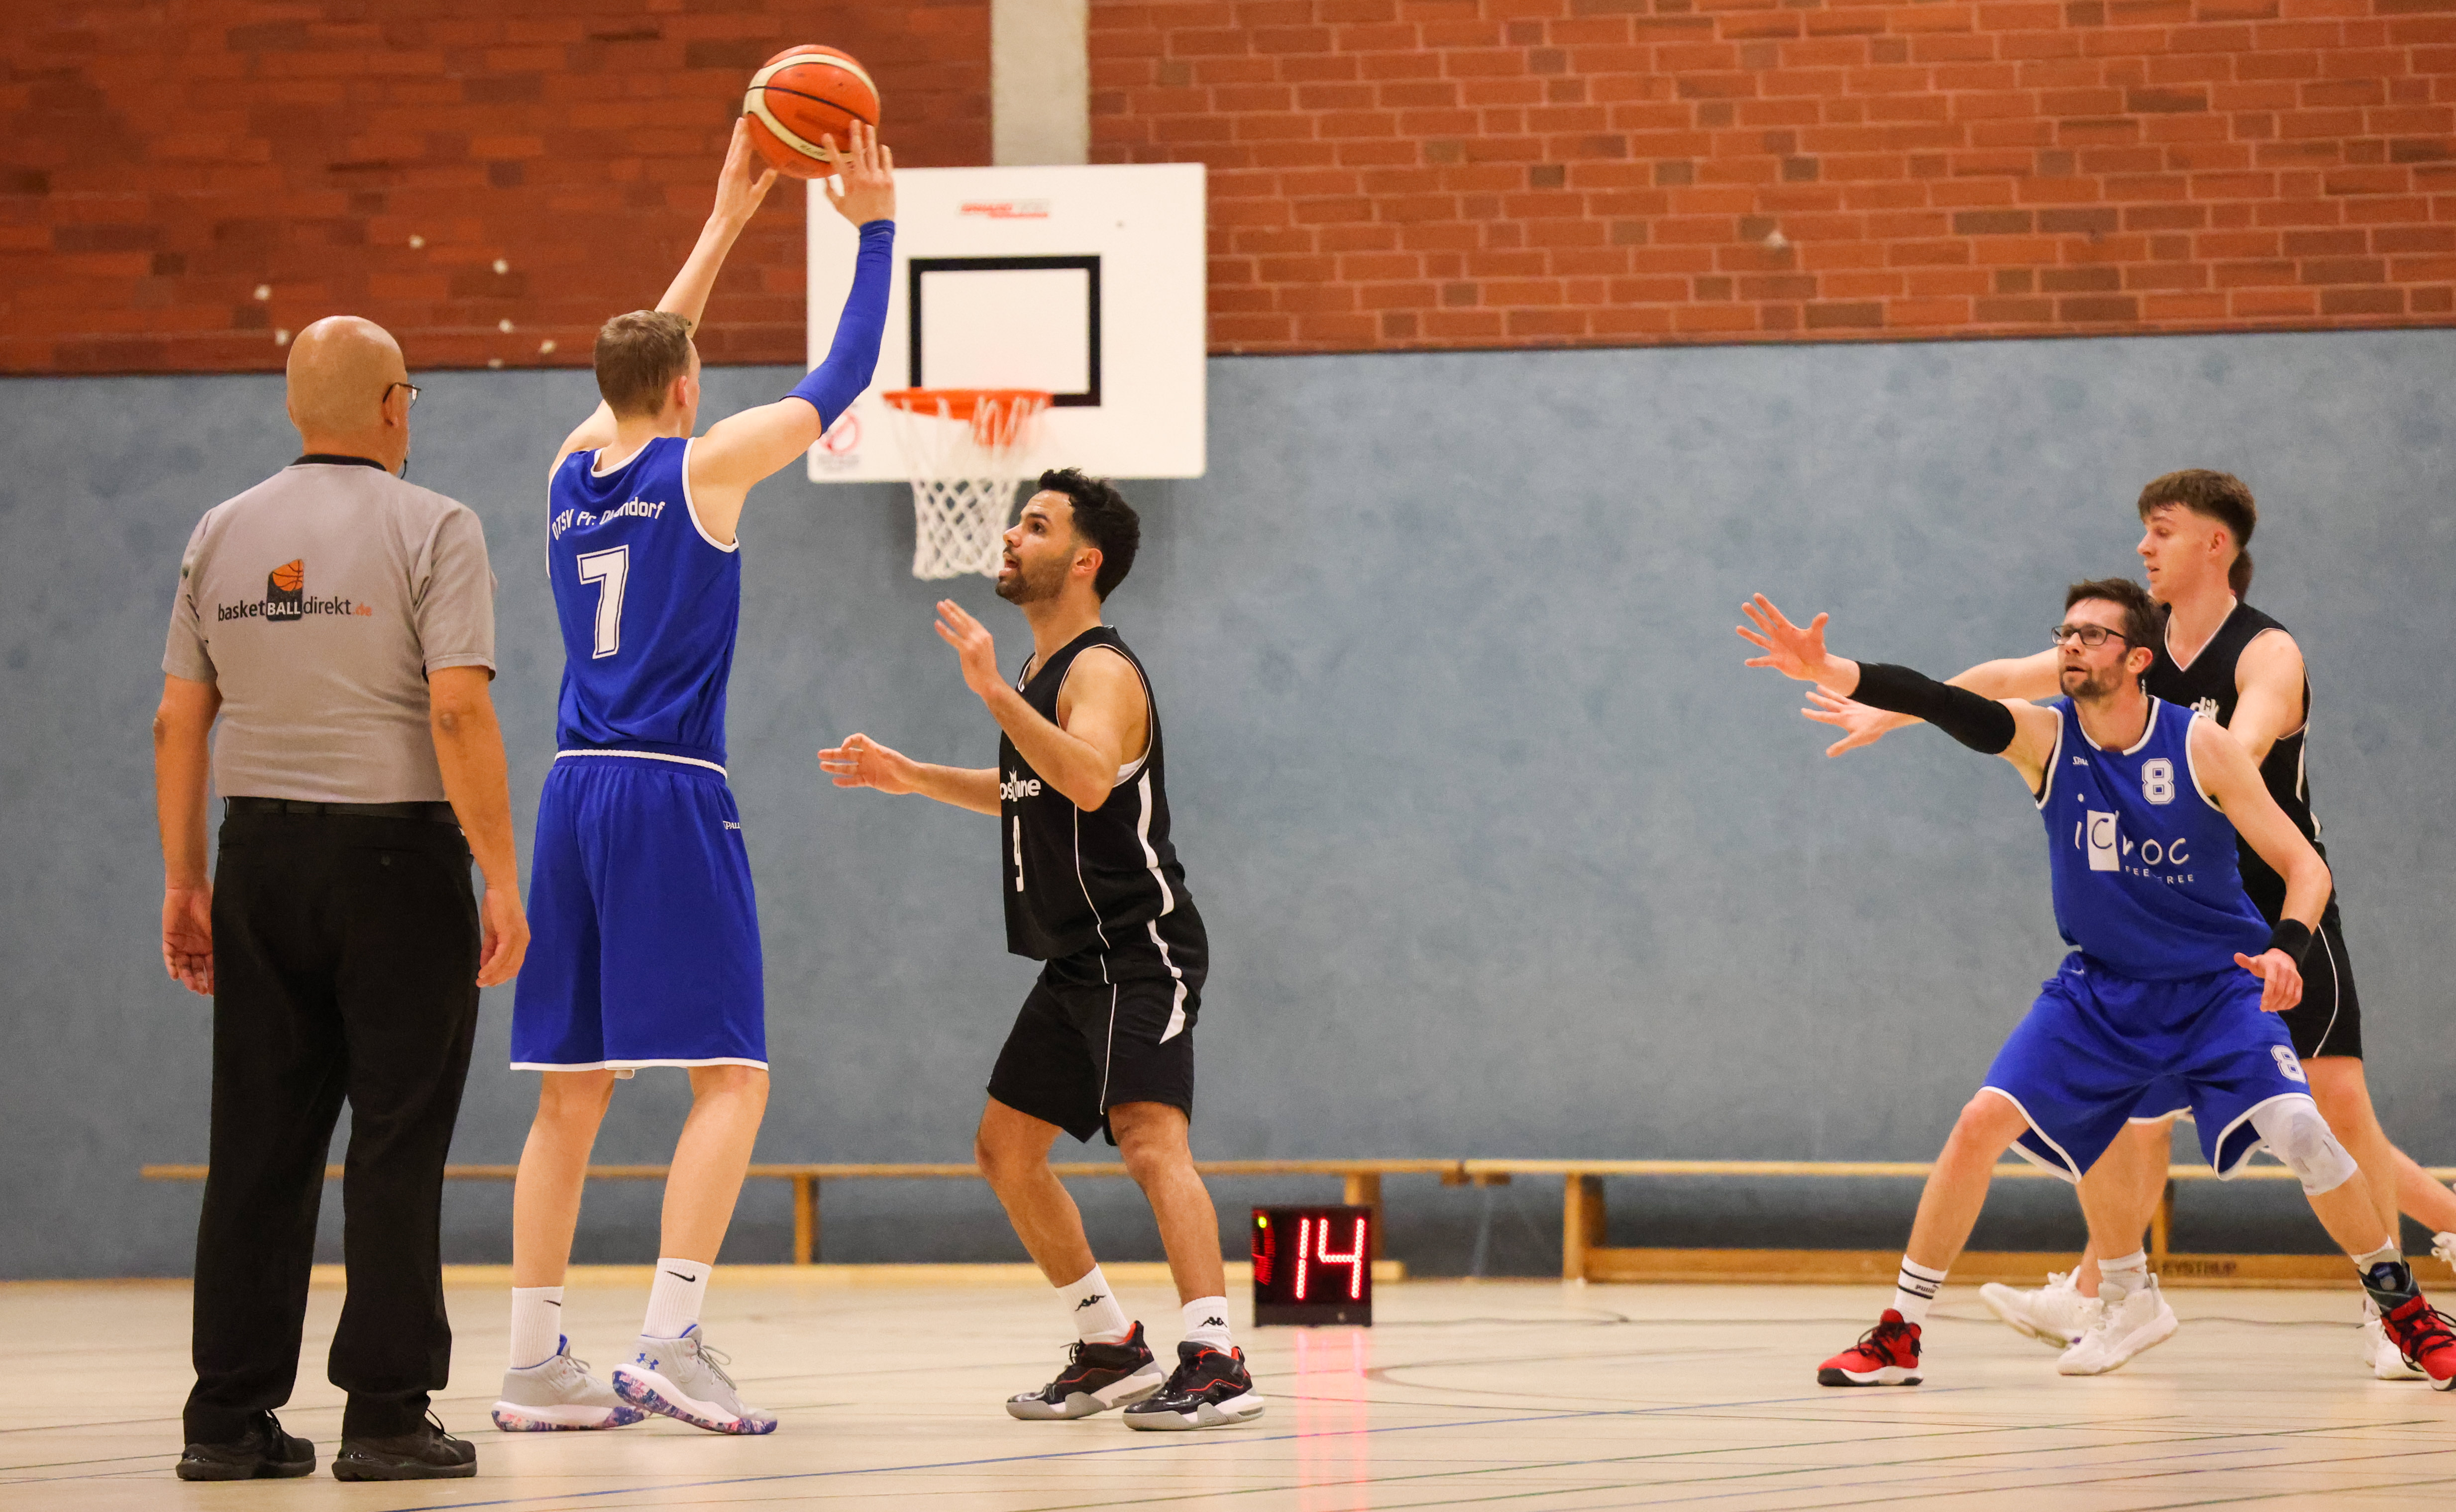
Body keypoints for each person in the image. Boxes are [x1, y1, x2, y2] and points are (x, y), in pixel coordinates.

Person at [1810, 470, 2456, 1378]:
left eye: (2162, 530)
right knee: (2118, 1119)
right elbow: (1984, 691)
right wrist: (1883, 704)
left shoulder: (2258, 658)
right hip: (2123, 956)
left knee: (2328, 1109)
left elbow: (2246, 760)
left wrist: (2183, 773)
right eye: (2065, 636)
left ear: (2213, 545)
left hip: (2253, 916)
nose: (2144, 546)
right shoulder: (2076, 699)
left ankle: (2393, 1307)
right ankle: (2111, 1290)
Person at [490, 120, 894, 1436]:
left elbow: (647, 359)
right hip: (668, 787)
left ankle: (532, 1360)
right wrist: (874, 229)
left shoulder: (568, 472)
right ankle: (668, 1337)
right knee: (733, 1075)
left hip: (569, 794)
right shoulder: (704, 466)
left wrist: (723, 221)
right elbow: (841, 376)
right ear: (686, 390)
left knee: (570, 1092)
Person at [157, 316, 527, 1481]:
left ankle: (226, 1420)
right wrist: (500, 872)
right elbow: (457, 707)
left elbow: (177, 721)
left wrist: (187, 879)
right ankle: (385, 1414)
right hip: (398, 865)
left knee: (255, 1144)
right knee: (396, 1140)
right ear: (392, 403)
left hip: (258, 857)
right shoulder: (435, 524)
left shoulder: (220, 530)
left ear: (291, 406)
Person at [816, 471, 1265, 1431]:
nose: (1012, 536)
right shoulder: (1038, 676)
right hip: (1074, 960)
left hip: (1139, 947)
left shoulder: (1100, 670)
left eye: (1037, 524)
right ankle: (1109, 1343)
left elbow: (1090, 778)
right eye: (1018, 521)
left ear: (1085, 560)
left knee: (1150, 1140)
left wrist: (988, 693)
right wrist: (914, 776)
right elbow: (1032, 788)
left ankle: (1218, 1356)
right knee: (1006, 1151)